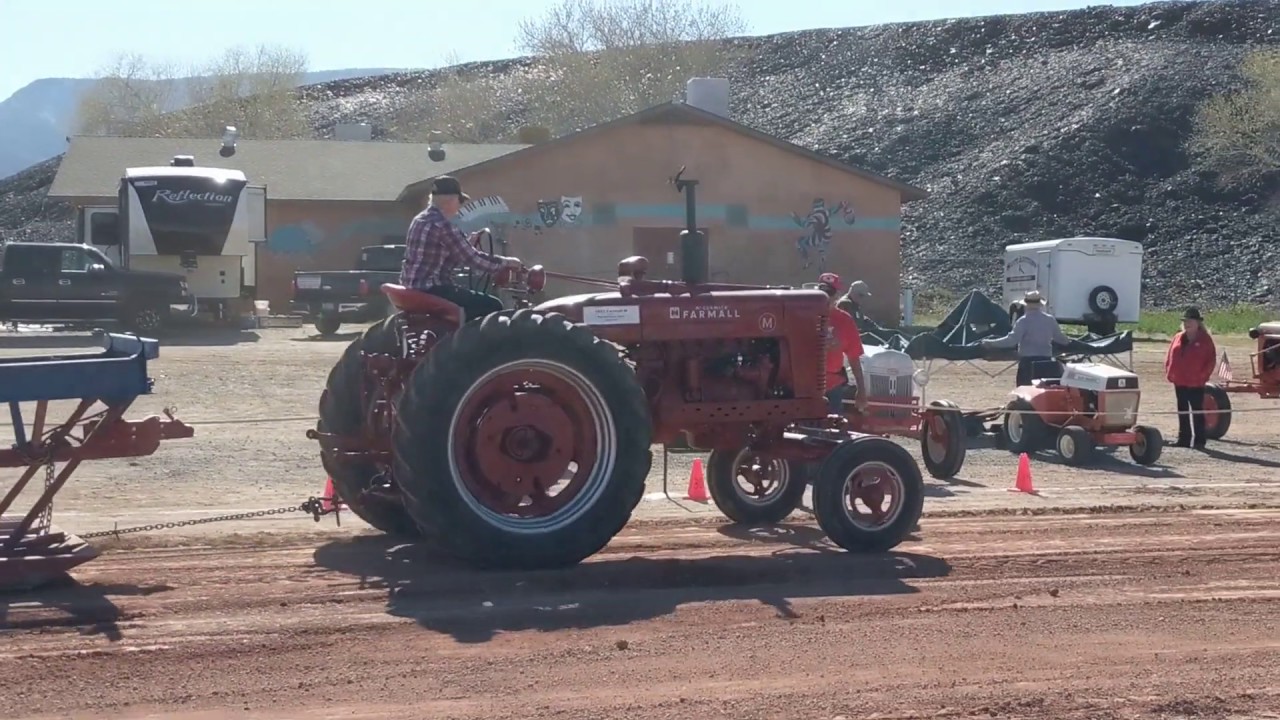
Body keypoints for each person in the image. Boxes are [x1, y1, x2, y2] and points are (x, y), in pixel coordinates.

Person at [399, 175, 523, 321]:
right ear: (451, 200)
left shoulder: (419, 220)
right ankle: (466, 335)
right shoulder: (443, 226)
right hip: (432, 288)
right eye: (460, 201)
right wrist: (507, 262)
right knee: (492, 305)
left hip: (413, 285)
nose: (459, 207)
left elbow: (435, 257)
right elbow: (473, 259)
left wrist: (467, 243)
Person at [980, 290, 1071, 387]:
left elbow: (1011, 341)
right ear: (1040, 304)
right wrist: (1069, 341)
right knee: (1043, 390)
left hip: (1028, 362)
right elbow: (1061, 339)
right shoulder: (1050, 320)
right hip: (1046, 361)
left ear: (1026, 305)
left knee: (1025, 390)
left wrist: (990, 343)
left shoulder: (1023, 321)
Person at [1164, 307, 1217, 449]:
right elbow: (1169, 356)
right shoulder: (1178, 337)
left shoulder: (1205, 339)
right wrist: (1169, 371)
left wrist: (1203, 376)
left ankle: (1199, 440)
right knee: (1182, 410)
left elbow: (1211, 360)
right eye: (1186, 321)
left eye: (1191, 321)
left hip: (1196, 382)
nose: (1187, 324)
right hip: (1179, 380)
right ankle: (1184, 439)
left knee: (1197, 411)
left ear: (1198, 323)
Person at [818, 272, 869, 415]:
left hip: (832, 386)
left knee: (834, 423)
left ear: (837, 295)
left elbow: (854, 357)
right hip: (804, 386)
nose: (825, 296)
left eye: (829, 292)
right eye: (821, 291)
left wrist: (861, 390)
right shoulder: (803, 315)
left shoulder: (845, 320)